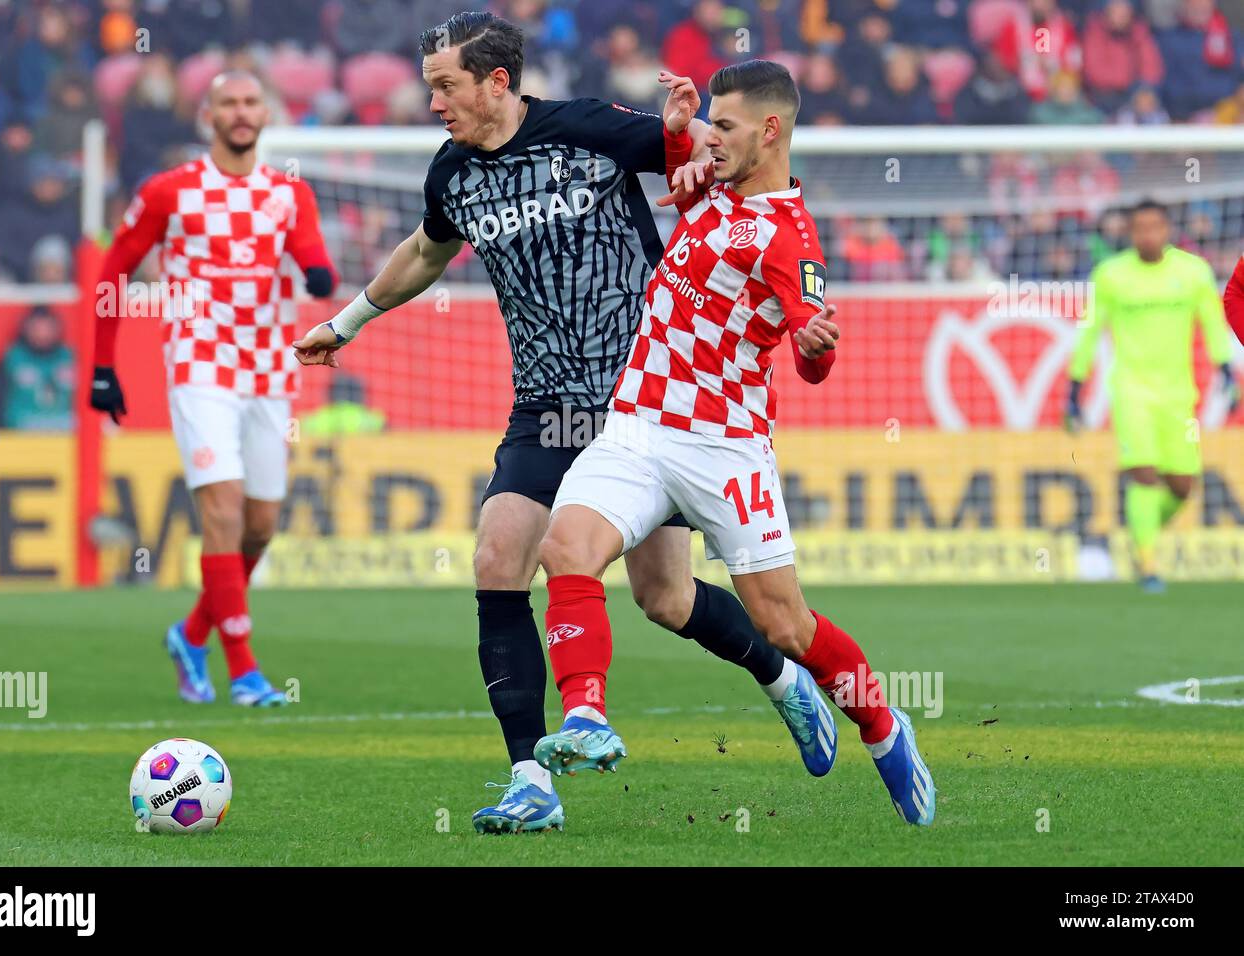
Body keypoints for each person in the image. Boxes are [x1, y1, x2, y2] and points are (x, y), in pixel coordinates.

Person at [293, 11, 841, 834]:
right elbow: (424, 252)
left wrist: (692, 135)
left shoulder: (588, 129)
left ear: (497, 82)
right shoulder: (453, 174)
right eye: (430, 85)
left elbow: (707, 163)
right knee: (496, 557)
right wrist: (349, 321)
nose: (433, 100)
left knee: (664, 598)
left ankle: (780, 674)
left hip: (645, 403)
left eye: (446, 84)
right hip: (543, 407)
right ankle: (530, 777)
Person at [532, 59, 936, 827]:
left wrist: (814, 344)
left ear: (771, 132)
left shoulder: (790, 238)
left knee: (787, 625)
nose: (712, 139)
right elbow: (647, 147)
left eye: (727, 125)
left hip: (724, 446)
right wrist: (683, 123)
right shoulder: (712, 175)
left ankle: (883, 727)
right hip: (639, 424)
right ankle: (586, 717)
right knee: (566, 547)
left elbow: (815, 359)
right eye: (712, 124)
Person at [88, 71, 338, 705]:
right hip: (200, 365)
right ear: (207, 115)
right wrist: (102, 365)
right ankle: (246, 672)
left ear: (266, 112)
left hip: (270, 368)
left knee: (259, 526)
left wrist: (317, 271)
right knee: (222, 512)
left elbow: (312, 256)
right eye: (228, 102)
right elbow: (113, 270)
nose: (241, 112)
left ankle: (191, 632)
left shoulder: (289, 194)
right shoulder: (171, 191)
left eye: (252, 101)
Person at [1067, 199, 1239, 592]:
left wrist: (1227, 374)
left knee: (1182, 486)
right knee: (1143, 473)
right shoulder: (1111, 275)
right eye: (1139, 228)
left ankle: (1141, 532)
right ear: (1130, 233)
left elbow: (1213, 325)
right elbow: (1089, 332)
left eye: (1154, 227)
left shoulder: (1192, 273)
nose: (1147, 235)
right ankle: (1148, 565)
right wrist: (1075, 387)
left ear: (1167, 230)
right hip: (1131, 391)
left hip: (1179, 395)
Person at [0, 306, 75, 431]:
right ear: (26, 329)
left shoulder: (70, 358)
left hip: (65, 434)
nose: (42, 334)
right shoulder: (13, 358)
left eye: (47, 328)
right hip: (21, 435)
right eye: (37, 328)